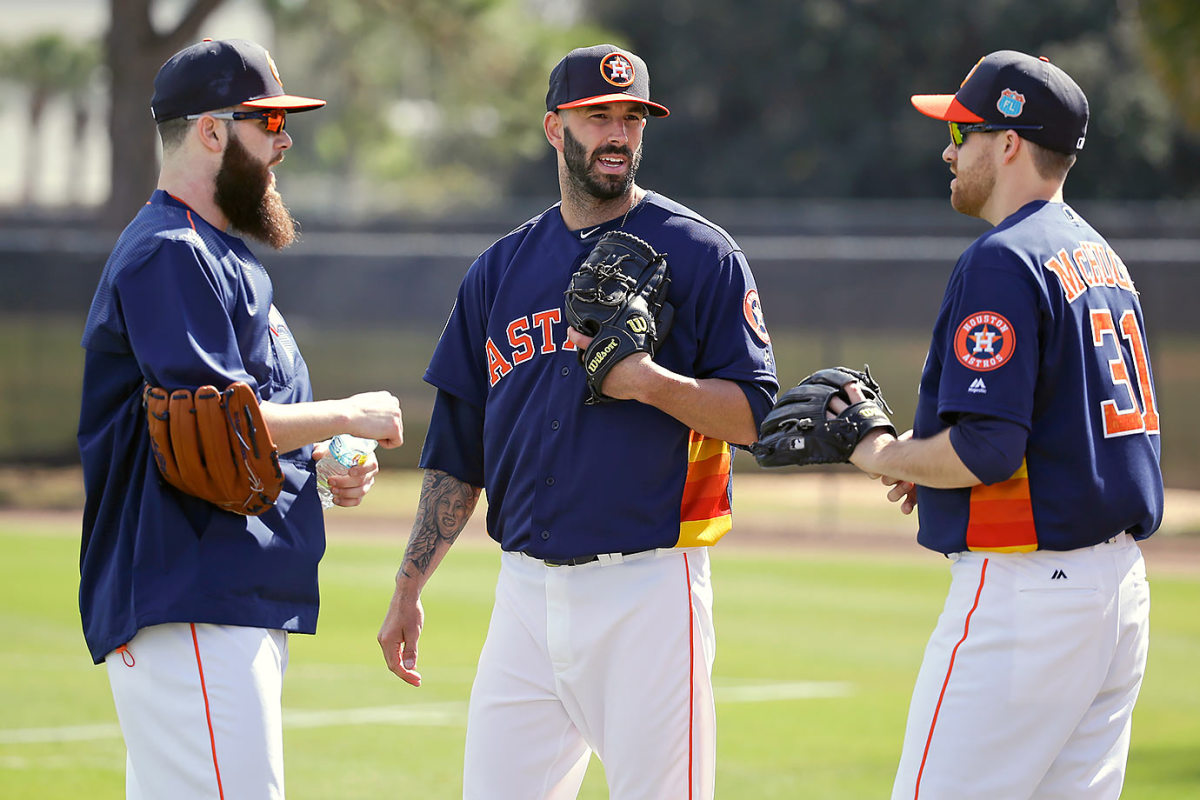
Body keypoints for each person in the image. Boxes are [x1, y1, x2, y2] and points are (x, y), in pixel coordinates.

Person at [377, 43, 777, 799]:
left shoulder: (701, 254)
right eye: (598, 116)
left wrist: (648, 382)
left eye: (632, 117)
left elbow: (758, 414)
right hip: (524, 600)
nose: (618, 133)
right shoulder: (499, 270)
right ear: (554, 126)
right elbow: (459, 450)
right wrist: (408, 584)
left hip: (649, 593)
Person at [77, 38, 404, 799]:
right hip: (191, 597)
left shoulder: (221, 255)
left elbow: (238, 428)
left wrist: (321, 459)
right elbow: (218, 425)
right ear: (212, 131)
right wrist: (347, 412)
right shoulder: (171, 252)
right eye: (267, 121)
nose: (284, 139)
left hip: (223, 600)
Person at [841, 51, 1163, 798]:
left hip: (1028, 593)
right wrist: (935, 475)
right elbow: (1065, 435)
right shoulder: (1098, 255)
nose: (948, 151)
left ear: (1009, 141)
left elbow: (988, 449)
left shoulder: (1004, 259)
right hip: (1115, 594)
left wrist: (878, 450)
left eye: (962, 131)